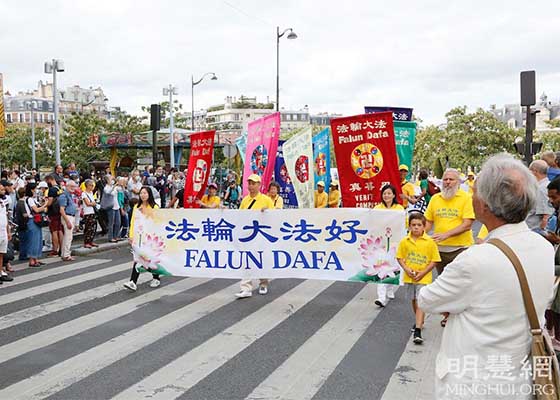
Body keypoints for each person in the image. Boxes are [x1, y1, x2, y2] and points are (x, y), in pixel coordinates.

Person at [418, 153, 555, 399]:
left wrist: (456, 306)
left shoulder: (475, 260)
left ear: (486, 204)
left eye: (476, 189)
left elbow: (427, 299)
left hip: (474, 385)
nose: (471, 194)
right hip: (520, 381)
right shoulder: (544, 247)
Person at [424, 168, 475, 327]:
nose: (447, 182)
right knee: (444, 283)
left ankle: (461, 314)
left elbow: (467, 224)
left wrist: (447, 234)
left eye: (451, 179)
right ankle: (447, 314)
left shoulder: (466, 198)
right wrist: (420, 236)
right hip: (439, 250)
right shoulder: (435, 199)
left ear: (458, 182)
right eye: (445, 179)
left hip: (460, 249)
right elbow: (429, 221)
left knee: (460, 284)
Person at [397, 212, 440, 344]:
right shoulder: (405, 241)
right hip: (410, 277)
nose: (416, 227)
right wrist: (407, 269)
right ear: (409, 226)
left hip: (424, 277)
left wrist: (423, 272)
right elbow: (400, 257)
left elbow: (434, 260)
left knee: (420, 300)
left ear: (424, 226)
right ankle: (419, 320)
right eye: (413, 225)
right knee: (414, 300)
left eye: (419, 225)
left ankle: (418, 329)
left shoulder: (430, 242)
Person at [235, 174, 274, 299]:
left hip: (261, 236)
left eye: (254, 183)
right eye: (249, 183)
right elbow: (239, 215)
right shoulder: (245, 200)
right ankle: (246, 288)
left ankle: (263, 283)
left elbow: (275, 216)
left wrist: (266, 212)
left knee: (260, 260)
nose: (251, 186)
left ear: (259, 185)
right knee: (246, 260)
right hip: (248, 236)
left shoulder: (266, 200)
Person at [123, 186, 161, 291]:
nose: (143, 195)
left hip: (150, 238)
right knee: (138, 258)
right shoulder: (136, 206)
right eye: (141, 193)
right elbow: (133, 222)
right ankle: (133, 282)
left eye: (145, 193)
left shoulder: (154, 207)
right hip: (138, 237)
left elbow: (157, 223)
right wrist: (131, 236)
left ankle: (156, 278)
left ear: (149, 195)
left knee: (150, 259)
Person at [373, 184, 405, 307]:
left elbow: (403, 223)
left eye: (389, 193)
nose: (386, 196)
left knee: (394, 267)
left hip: (395, 242)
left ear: (393, 195)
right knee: (382, 268)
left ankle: (390, 288)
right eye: (384, 193)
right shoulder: (377, 208)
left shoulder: (399, 208)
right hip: (381, 243)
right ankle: (381, 297)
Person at [526, 160, 554, 235]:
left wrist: (542, 233)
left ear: (534, 171)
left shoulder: (541, 189)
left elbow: (546, 216)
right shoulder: (546, 185)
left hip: (535, 230)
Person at [24, 183, 48, 267]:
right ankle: (32, 259)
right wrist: (45, 204)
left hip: (36, 220)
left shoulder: (33, 199)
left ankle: (36, 258)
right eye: (35, 189)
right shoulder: (29, 199)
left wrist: (43, 202)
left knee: (38, 240)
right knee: (34, 240)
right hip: (32, 220)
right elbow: (36, 210)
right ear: (31, 190)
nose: (36, 190)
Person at [58, 180, 78, 261]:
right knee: (68, 237)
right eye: (71, 186)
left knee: (68, 236)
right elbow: (61, 210)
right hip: (68, 216)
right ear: (67, 186)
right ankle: (66, 254)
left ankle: (64, 253)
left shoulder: (69, 195)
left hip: (70, 216)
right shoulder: (64, 196)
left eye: (74, 186)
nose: (73, 188)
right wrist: (67, 221)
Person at [45, 174, 64, 257]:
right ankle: (62, 248)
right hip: (60, 211)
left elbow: (49, 202)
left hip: (53, 212)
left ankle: (55, 250)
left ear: (50, 180)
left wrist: (43, 205)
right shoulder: (60, 188)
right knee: (60, 230)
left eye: (47, 181)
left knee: (54, 231)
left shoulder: (51, 190)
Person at [0, 181, 13, 282]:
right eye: (1, 190)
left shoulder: (3, 202)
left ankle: (1, 272)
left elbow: (6, 217)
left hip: (3, 230)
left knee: (1, 253)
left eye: (3, 190)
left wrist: (8, 231)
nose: (3, 191)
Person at [81, 179, 99, 248]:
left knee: (93, 228)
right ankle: (86, 242)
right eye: (91, 185)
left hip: (93, 212)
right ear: (87, 186)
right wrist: (93, 203)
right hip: (87, 213)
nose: (92, 187)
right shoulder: (84, 193)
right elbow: (87, 203)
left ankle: (91, 241)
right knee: (88, 228)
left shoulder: (91, 193)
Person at [104, 175, 121, 243]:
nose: (112, 180)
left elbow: (120, 190)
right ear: (107, 180)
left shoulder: (114, 187)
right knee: (111, 223)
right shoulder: (106, 187)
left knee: (118, 222)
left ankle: (116, 236)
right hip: (111, 207)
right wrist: (114, 186)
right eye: (111, 179)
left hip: (116, 206)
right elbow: (108, 192)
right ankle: (110, 237)